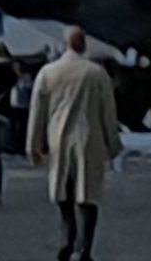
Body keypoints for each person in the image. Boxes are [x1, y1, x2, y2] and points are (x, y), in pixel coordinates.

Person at [27, 27, 123, 261]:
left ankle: (66, 241)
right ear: (84, 44)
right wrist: (113, 143)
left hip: (58, 139)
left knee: (64, 193)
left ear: (65, 43)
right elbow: (108, 112)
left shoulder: (48, 73)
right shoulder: (96, 73)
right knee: (88, 195)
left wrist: (33, 145)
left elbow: (37, 113)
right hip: (90, 139)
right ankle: (83, 248)